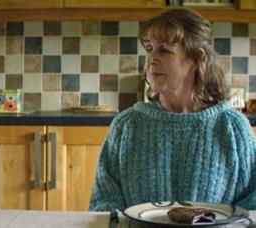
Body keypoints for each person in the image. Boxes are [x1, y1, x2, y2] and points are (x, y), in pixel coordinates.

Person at [89, 8, 256, 211]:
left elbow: (251, 205)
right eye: (149, 48)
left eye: (164, 50)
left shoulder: (232, 128)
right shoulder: (126, 126)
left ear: (196, 58)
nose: (151, 59)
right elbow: (104, 203)